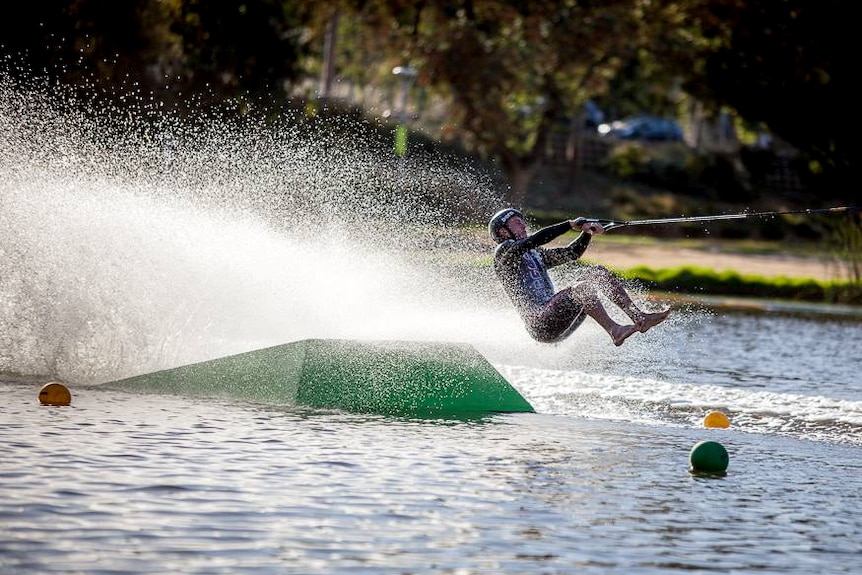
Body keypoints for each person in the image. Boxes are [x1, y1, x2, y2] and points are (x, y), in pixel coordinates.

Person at [489, 208, 669, 346]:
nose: (523, 225)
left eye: (522, 222)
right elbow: (536, 239)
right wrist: (569, 225)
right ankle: (615, 330)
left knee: (597, 273)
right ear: (504, 231)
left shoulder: (536, 255)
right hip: (540, 324)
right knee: (581, 288)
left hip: (559, 318)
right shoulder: (504, 253)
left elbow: (571, 253)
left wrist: (587, 233)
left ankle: (639, 318)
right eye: (517, 223)